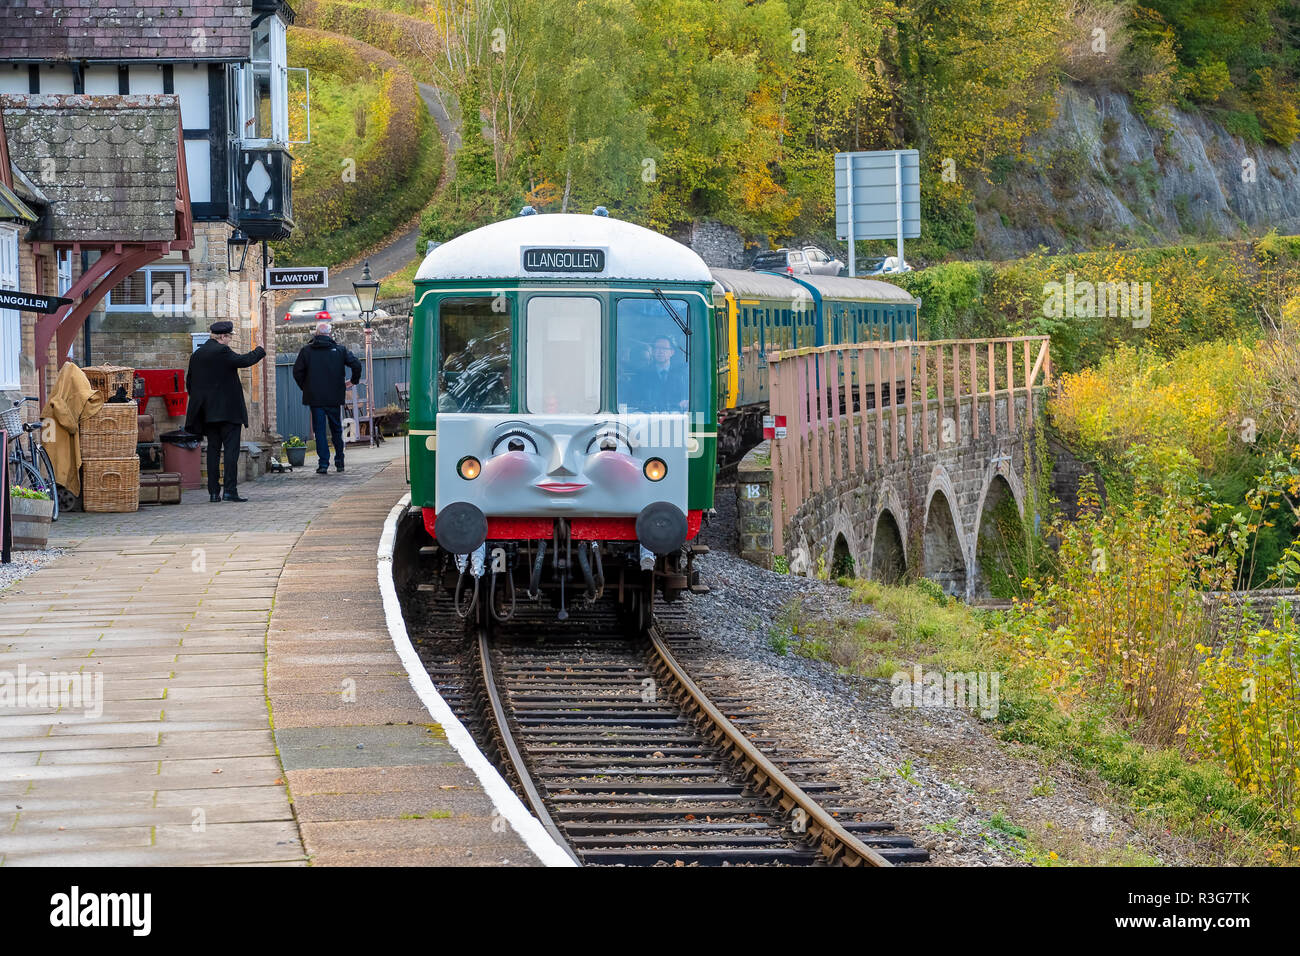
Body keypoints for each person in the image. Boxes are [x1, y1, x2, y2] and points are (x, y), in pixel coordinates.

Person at [184, 320, 266, 503]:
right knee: (231, 451)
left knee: (213, 451)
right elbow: (243, 360)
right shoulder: (222, 351)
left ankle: (213, 493)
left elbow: (190, 383)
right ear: (222, 336)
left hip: (208, 413)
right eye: (229, 337)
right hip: (228, 413)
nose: (229, 340)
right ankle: (230, 490)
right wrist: (260, 348)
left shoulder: (197, 355)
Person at [292, 320, 362, 474]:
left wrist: (306, 387)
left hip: (315, 398)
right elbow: (356, 365)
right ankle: (340, 461)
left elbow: (297, 372)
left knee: (320, 431)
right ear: (330, 334)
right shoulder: (339, 350)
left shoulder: (306, 351)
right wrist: (353, 381)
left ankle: (323, 464)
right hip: (334, 397)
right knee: (337, 429)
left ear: (316, 333)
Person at [630, 335, 689, 412]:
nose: (660, 351)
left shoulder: (683, 374)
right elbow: (634, 400)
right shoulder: (641, 375)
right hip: (650, 418)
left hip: (677, 416)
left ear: (672, 352)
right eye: (657, 348)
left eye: (664, 348)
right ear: (653, 351)